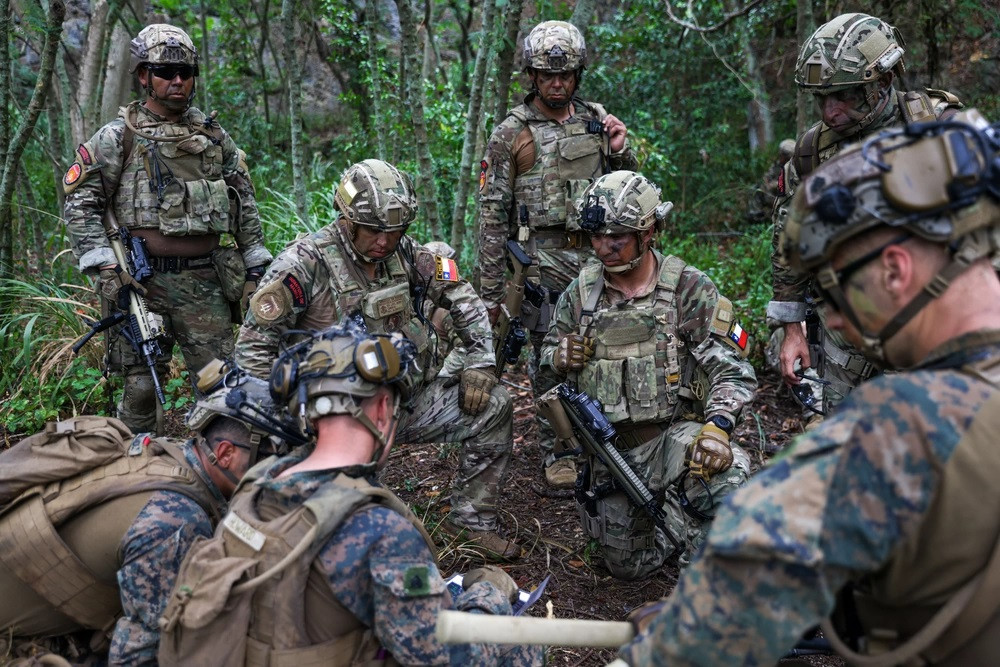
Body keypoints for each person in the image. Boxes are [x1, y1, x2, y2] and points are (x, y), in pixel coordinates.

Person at [618, 111, 1000, 665]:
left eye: (835, 290)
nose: (836, 322)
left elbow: (696, 642)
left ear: (895, 270)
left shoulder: (893, 436)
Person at [158, 322, 543, 666]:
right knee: (521, 647)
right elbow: (448, 657)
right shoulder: (377, 529)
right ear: (380, 411)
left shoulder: (259, 482)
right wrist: (490, 595)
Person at [236, 159, 520, 560]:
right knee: (354, 525)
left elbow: (460, 293)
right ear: (348, 219)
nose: (384, 242)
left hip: (400, 401)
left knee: (494, 407)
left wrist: (480, 360)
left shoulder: (406, 253)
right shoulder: (304, 264)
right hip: (332, 419)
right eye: (373, 231)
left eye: (394, 231)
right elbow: (251, 350)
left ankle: (471, 522)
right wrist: (287, 418)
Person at [0, 361, 299, 665]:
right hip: (16, 643)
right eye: (269, 460)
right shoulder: (176, 519)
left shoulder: (160, 453)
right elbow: (137, 656)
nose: (275, 473)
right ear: (225, 454)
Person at [539, 171, 756, 580]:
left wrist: (718, 428)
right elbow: (544, 369)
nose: (604, 248)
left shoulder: (688, 289)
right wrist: (557, 356)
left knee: (729, 480)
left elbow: (733, 371)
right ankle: (686, 516)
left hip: (672, 439)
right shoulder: (580, 295)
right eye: (596, 237)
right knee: (629, 567)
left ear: (649, 231)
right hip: (610, 455)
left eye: (616, 237)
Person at [63, 23, 272, 434]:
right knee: (140, 386)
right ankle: (136, 472)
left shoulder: (212, 137)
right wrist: (107, 269)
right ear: (144, 76)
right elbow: (81, 203)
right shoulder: (117, 138)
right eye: (164, 71)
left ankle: (219, 474)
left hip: (206, 282)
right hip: (140, 283)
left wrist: (254, 263)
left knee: (221, 385)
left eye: (186, 72)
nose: (177, 80)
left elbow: (243, 200)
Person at [767, 13, 962, 418]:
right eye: (822, 99)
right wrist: (791, 330)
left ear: (883, 83)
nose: (831, 112)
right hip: (844, 347)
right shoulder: (810, 155)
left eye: (845, 96)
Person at [477, 20, 638, 489]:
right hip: (539, 260)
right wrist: (491, 291)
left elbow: (624, 188)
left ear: (577, 75)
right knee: (551, 354)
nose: (556, 83)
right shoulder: (511, 132)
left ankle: (612, 434)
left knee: (608, 345)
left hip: (596, 255)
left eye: (565, 75)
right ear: (530, 75)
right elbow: (492, 214)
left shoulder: (594, 118)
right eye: (547, 75)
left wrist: (620, 150)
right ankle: (559, 450)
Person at [747, 138, 794, 223]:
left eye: (784, 156)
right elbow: (768, 176)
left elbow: (792, 184)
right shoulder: (778, 165)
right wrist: (766, 181)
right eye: (781, 154)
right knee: (755, 188)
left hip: (786, 198)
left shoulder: (795, 167)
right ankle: (756, 216)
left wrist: (774, 184)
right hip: (773, 195)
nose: (781, 158)